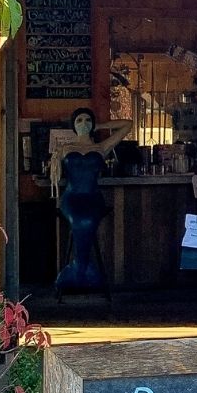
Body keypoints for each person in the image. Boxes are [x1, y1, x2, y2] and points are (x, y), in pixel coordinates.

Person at [51, 110, 131, 296]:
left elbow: (128, 124)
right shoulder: (64, 149)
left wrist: (100, 125)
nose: (84, 123)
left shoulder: (102, 147)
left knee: (87, 218)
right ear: (73, 124)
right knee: (80, 219)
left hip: (93, 197)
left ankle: (78, 270)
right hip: (71, 197)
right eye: (79, 120)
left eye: (88, 119)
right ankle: (83, 269)